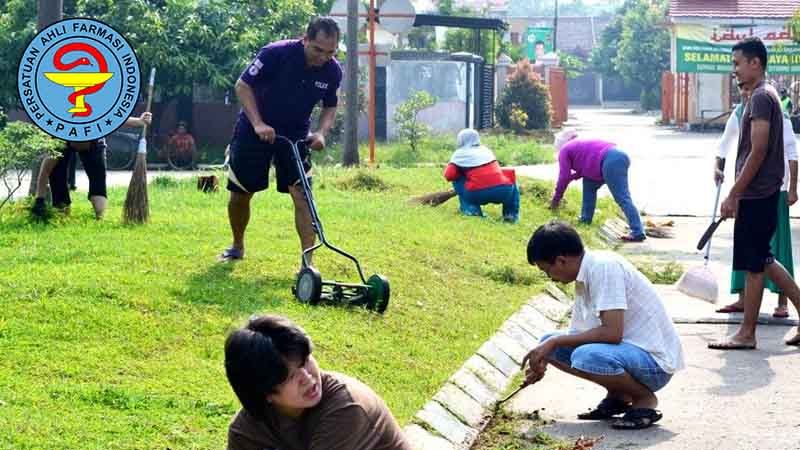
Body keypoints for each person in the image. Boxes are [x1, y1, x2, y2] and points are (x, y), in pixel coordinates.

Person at [523, 220, 684, 429]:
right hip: (629, 354)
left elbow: (612, 333)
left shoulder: (604, 268)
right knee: (548, 344)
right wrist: (545, 356)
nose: (549, 278)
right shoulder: (584, 275)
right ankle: (619, 395)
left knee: (584, 355)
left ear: (561, 261)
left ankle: (644, 400)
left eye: (547, 270)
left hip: (655, 364)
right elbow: (580, 334)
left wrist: (555, 341)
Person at [219, 17, 342, 268]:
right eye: (318, 49)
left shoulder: (332, 70)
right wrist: (258, 124)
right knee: (242, 193)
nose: (323, 57)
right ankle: (237, 245)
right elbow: (243, 86)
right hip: (254, 129)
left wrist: (321, 133)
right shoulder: (275, 53)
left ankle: (308, 264)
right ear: (305, 39)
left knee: (302, 194)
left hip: (296, 136)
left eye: (330, 52)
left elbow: (330, 105)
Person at [710, 37, 800, 349]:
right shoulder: (763, 95)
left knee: (754, 266)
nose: (734, 70)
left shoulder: (762, 97)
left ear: (755, 63)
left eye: (737, 64)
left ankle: (747, 334)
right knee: (764, 260)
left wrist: (734, 193)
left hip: (757, 193)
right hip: (762, 191)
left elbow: (758, 151)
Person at [224, 315, 411, 450]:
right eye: (290, 377)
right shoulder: (247, 431)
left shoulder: (346, 407)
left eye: (305, 361)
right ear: (265, 393)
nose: (307, 377)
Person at [31, 112, 152, 220]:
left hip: (93, 144)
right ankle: (61, 211)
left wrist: (139, 121)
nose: (79, 147)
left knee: (98, 181)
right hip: (65, 137)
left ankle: (100, 217)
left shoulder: (96, 134)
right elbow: (46, 170)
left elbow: (114, 118)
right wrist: (39, 199)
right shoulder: (59, 139)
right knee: (57, 176)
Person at [551, 130, 645, 242]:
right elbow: (583, 167)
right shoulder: (577, 144)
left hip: (611, 161)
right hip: (613, 157)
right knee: (588, 187)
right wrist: (571, 178)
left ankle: (638, 231)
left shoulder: (564, 150)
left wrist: (556, 199)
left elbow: (563, 176)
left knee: (622, 198)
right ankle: (585, 219)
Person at [443, 128, 520, 223]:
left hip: (477, 193)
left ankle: (472, 210)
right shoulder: (486, 150)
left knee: (457, 179)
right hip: (503, 191)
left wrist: (462, 172)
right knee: (511, 179)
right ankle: (510, 215)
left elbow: (449, 175)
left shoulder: (459, 154)